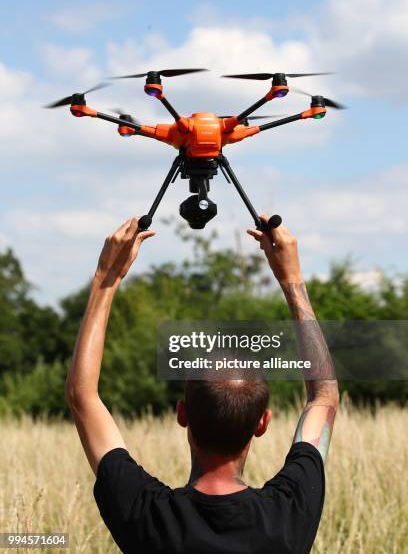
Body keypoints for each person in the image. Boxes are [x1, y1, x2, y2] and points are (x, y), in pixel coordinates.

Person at [66, 215, 339, 554]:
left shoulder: (149, 515)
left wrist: (106, 278)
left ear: (183, 414)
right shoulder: (288, 512)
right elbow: (324, 397)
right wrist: (292, 279)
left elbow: (82, 396)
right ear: (262, 423)